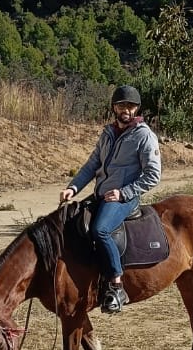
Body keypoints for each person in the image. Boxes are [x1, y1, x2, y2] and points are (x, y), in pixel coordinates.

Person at [61, 86, 162, 313]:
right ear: (114, 108)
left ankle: (117, 285)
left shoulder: (144, 136)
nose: (125, 109)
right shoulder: (108, 133)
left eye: (130, 106)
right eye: (121, 105)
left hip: (124, 197)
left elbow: (153, 175)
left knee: (101, 230)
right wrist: (73, 188)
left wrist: (123, 193)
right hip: (102, 194)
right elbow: (92, 165)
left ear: (136, 109)